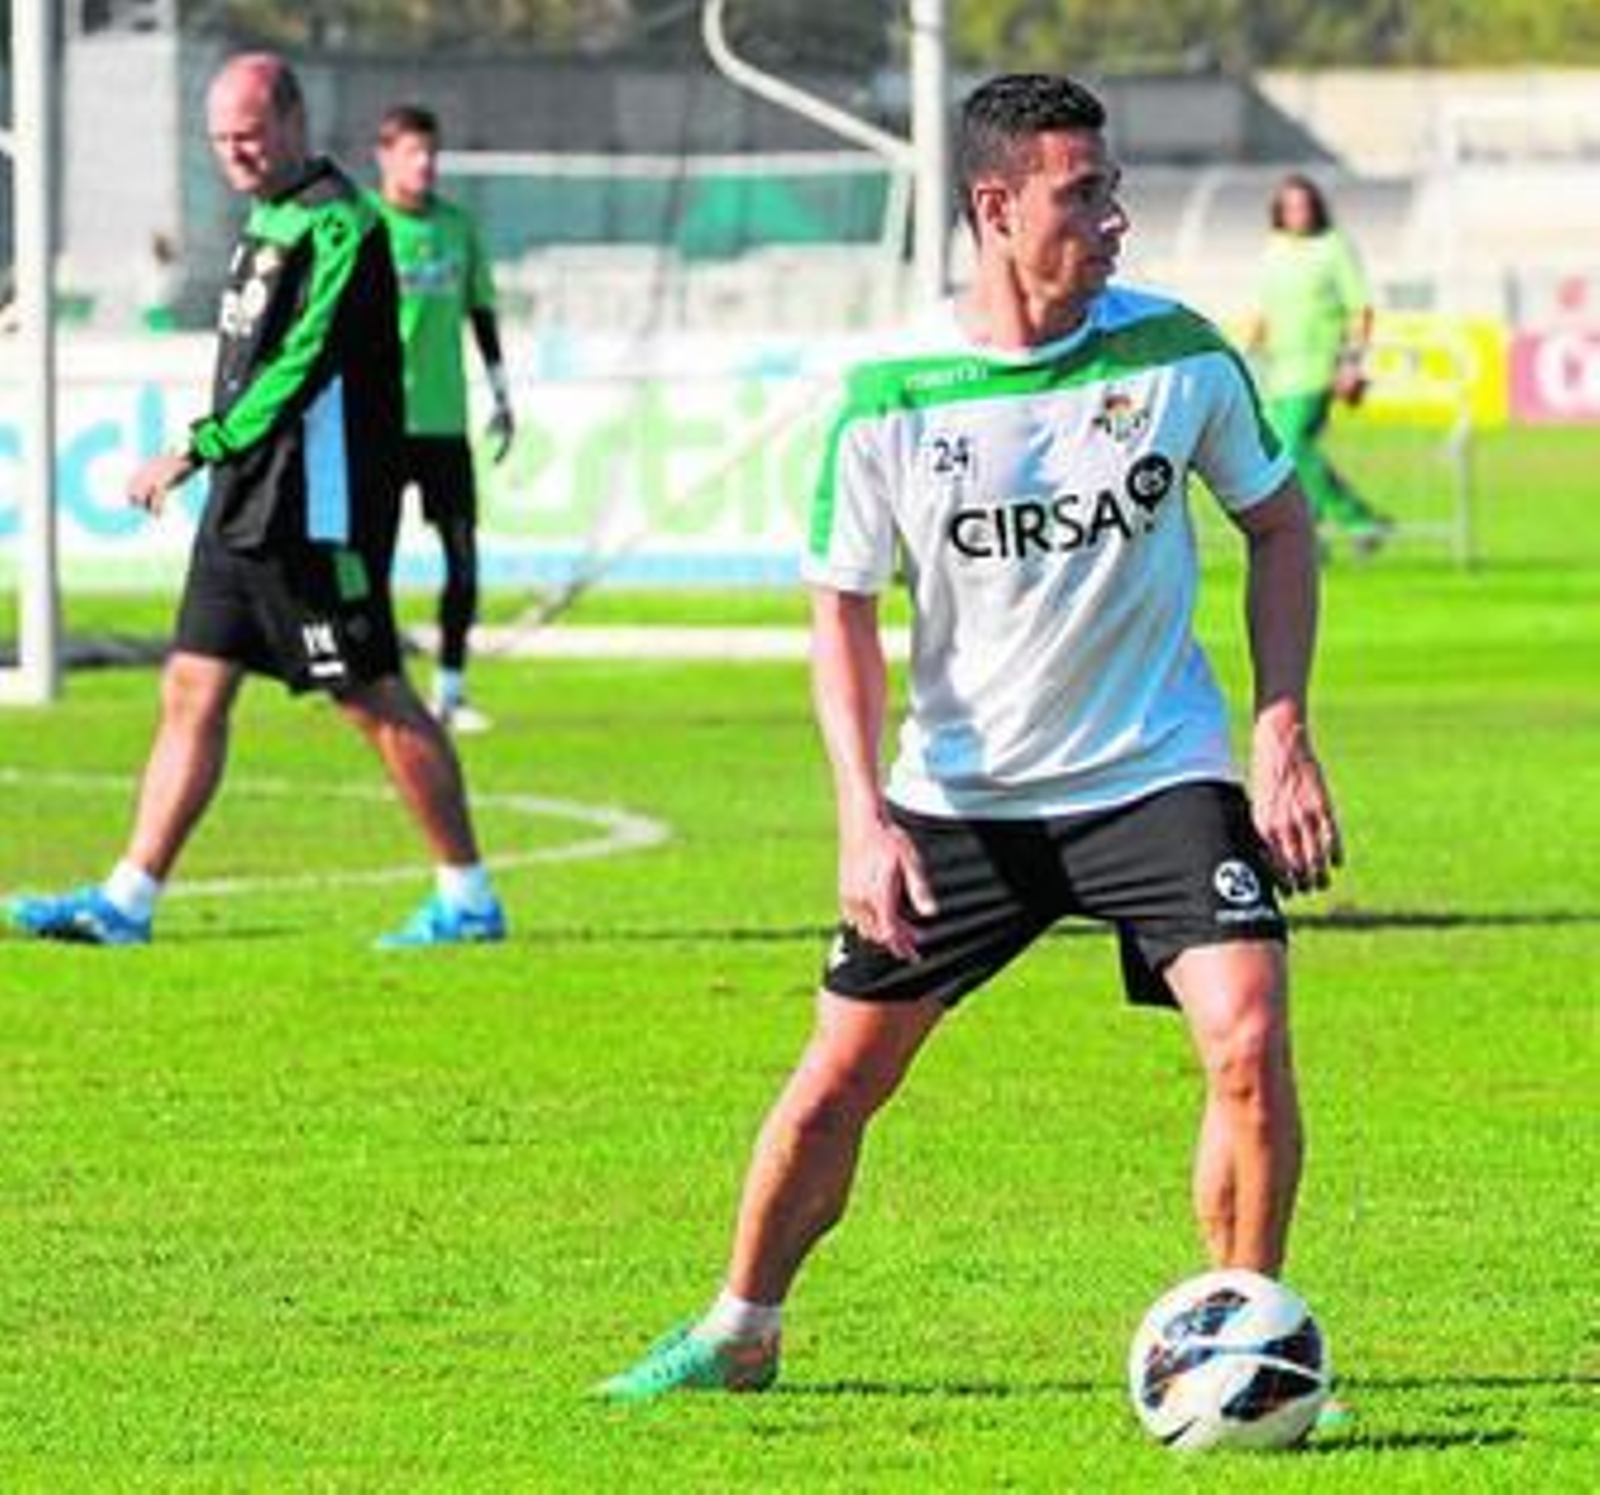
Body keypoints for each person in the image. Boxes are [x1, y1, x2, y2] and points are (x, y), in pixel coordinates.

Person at [597, 72, 1342, 1403]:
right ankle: (740, 1325)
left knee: (1246, 1035)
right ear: (997, 206)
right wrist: (859, 816)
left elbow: (1281, 525)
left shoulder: (1177, 353)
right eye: (1084, 192)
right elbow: (838, 610)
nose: (1116, 216)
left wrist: (1279, 722)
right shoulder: (896, 393)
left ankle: (1246, 1342)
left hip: (1154, 772)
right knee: (836, 1082)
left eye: (1112, 188)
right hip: (961, 797)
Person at [6, 53, 506, 950]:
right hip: (247, 506)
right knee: (191, 687)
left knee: (373, 698)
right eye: (219, 140)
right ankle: (128, 900)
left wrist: (197, 447)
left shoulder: (343, 224)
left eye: (246, 135)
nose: (232, 153)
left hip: (316, 513)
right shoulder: (267, 217)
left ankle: (468, 896)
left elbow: (300, 365)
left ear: (291, 121)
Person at [372, 103, 514, 734]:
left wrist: (502, 394)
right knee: (366, 560)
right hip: (376, 422)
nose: (425, 164)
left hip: (443, 421)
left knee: (462, 558)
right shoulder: (363, 226)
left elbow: (480, 313)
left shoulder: (457, 227)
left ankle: (451, 692)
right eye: (412, 153)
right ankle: (370, 684)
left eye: (431, 153)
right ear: (386, 157)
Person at [1247, 172, 1392, 558]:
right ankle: (1310, 539)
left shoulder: (1334, 247)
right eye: (1291, 206)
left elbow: (1360, 308)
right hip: (1278, 373)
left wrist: (1352, 363)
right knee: (1285, 457)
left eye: (1305, 205)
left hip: (1319, 368)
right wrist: (1248, 355)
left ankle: (1361, 519)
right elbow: (1263, 309)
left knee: (1294, 448)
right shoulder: (1273, 249)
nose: (1299, 213)